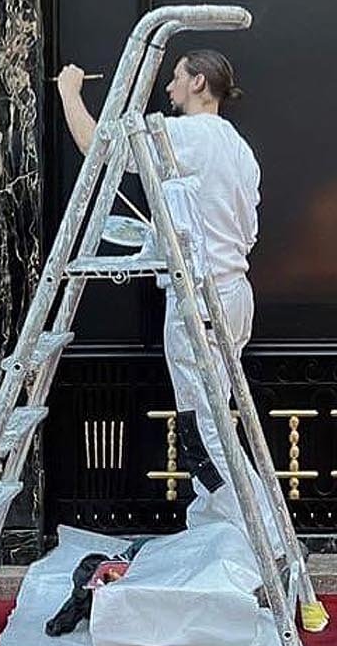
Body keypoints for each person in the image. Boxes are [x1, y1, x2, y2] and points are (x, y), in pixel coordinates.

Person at [54, 49, 271, 535]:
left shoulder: (188, 136)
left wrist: (70, 93)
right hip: (233, 294)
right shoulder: (239, 147)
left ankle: (263, 540)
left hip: (201, 299)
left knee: (204, 429)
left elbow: (101, 151)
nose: (169, 88)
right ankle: (224, 534)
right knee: (216, 422)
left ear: (198, 82)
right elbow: (248, 230)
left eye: (176, 78)